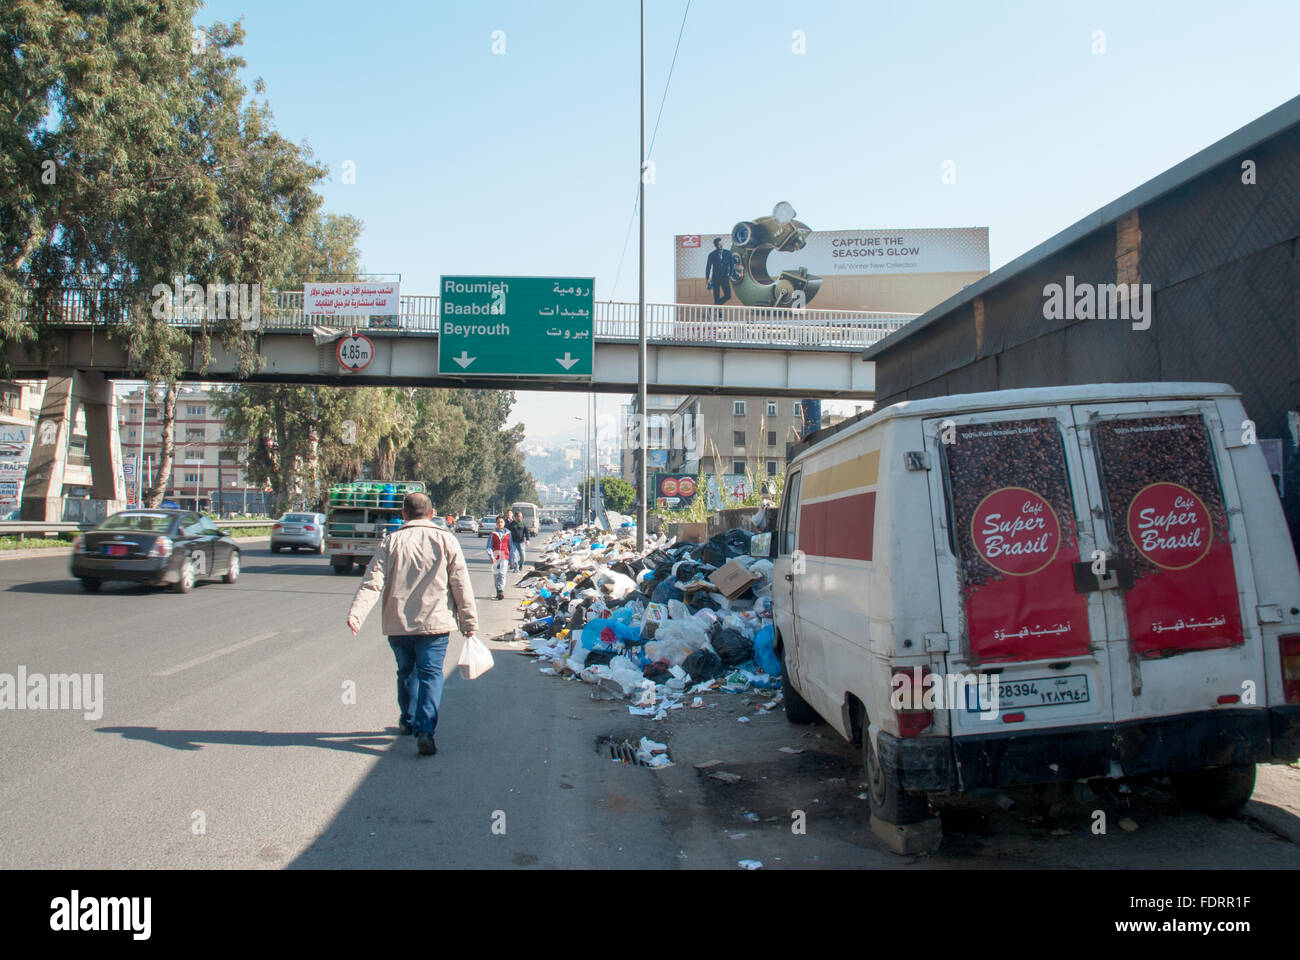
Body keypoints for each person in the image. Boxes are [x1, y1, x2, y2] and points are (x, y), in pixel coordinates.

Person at [346, 492, 478, 757]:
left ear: (404, 514)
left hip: (399, 624)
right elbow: (460, 583)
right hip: (435, 624)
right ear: (431, 514)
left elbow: (373, 582)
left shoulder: (391, 542)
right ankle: (425, 729)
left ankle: (407, 720)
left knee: (406, 672)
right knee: (430, 674)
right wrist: (469, 621)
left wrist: (357, 614)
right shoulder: (446, 540)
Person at [705, 237, 733, 314]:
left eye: (721, 244)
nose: (720, 246)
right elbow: (708, 267)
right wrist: (707, 278)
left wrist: (730, 274)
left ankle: (712, 308)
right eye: (718, 244)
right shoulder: (711, 255)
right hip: (715, 278)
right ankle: (719, 313)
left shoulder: (728, 253)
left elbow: (732, 265)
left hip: (725, 277)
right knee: (716, 297)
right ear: (715, 245)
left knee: (728, 295)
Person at [486, 515, 511, 600]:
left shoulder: (508, 533)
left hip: (504, 555)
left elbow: (511, 546)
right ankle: (498, 591)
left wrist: (512, 559)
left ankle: (501, 590)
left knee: (502, 574)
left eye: (501, 522)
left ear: (504, 523)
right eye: (498, 522)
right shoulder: (493, 534)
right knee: (496, 575)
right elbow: (489, 546)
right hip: (495, 555)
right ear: (496, 523)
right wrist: (491, 556)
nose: (500, 523)